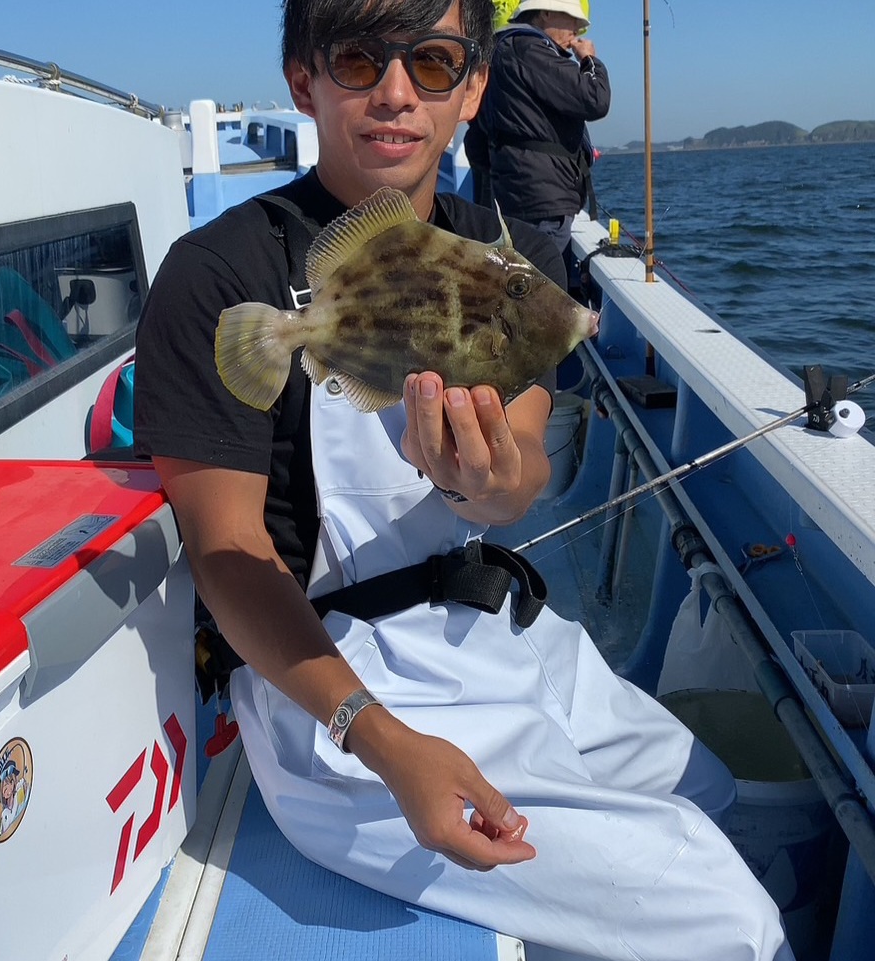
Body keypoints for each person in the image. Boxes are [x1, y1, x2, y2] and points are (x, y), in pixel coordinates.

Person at [133, 1, 793, 958]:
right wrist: (384, 739)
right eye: (359, 60)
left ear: (472, 88)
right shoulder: (220, 272)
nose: (396, 93)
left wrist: (473, 484)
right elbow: (228, 552)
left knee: (711, 793)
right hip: (330, 681)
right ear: (303, 79)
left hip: (489, 623)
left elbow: (516, 479)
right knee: (733, 925)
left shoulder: (497, 252)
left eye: (433, 63)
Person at [474, 0, 610, 260]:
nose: (578, 31)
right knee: (537, 285)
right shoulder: (530, 50)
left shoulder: (503, 50)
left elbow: (478, 140)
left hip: (521, 197)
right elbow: (595, 99)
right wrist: (590, 59)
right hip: (541, 204)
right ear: (546, 13)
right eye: (573, 21)